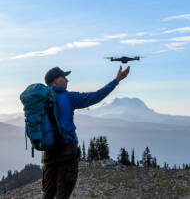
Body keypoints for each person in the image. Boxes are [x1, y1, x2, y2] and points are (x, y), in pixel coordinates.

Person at [42, 65, 130, 199]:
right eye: (64, 77)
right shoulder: (69, 97)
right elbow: (95, 96)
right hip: (67, 152)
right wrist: (116, 80)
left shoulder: (40, 99)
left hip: (48, 153)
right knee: (63, 195)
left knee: (47, 195)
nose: (67, 80)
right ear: (55, 81)